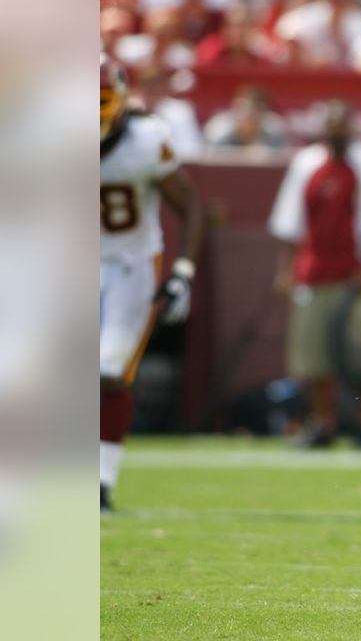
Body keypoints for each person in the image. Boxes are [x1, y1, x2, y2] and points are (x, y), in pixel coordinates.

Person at [100, 55, 206, 512]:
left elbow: (193, 208)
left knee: (109, 373)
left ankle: (100, 481)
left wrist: (183, 272)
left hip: (129, 266)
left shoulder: (146, 139)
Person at [268, 101, 361, 447]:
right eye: (331, 125)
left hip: (357, 273)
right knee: (312, 357)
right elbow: (288, 222)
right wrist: (285, 270)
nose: (336, 132)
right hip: (313, 272)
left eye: (342, 125)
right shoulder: (306, 163)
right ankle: (322, 423)